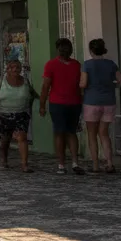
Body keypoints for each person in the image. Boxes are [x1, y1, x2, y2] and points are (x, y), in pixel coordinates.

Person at [80, 38, 121, 174]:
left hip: (91, 102)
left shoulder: (87, 65)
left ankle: (95, 165)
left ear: (91, 50)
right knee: (104, 134)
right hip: (109, 102)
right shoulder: (111, 64)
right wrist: (112, 85)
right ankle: (110, 163)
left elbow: (83, 83)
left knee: (92, 135)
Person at [40, 37, 85, 175]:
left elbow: (46, 86)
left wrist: (42, 105)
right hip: (74, 103)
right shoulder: (76, 65)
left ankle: (61, 164)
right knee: (71, 133)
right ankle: (75, 162)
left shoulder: (51, 65)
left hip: (58, 103)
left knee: (59, 133)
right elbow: (80, 86)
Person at [0, 58, 35, 172]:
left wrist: (31, 108)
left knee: (22, 137)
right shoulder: (0, 81)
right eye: (12, 67)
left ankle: (24, 164)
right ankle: (4, 160)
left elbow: (31, 95)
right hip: (4, 114)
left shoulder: (25, 81)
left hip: (21, 113)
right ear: (7, 69)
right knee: (6, 139)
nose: (15, 69)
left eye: (18, 67)